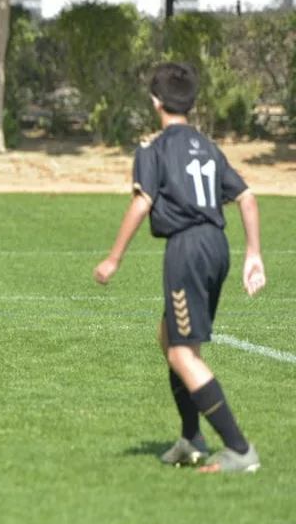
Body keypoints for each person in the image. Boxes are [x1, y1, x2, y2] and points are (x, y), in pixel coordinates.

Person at [94, 62, 265, 474]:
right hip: (217, 246)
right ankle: (191, 437)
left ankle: (239, 450)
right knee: (169, 334)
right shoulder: (208, 147)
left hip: (187, 249)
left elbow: (142, 202)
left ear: (155, 102)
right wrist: (253, 254)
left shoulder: (154, 149)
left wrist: (113, 258)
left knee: (183, 354)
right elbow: (247, 198)